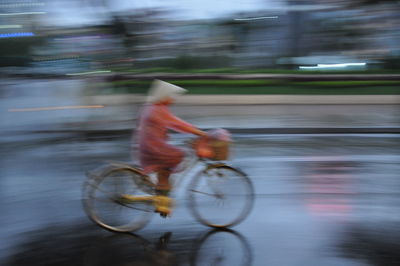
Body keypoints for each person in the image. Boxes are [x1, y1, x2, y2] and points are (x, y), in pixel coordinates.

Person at [135, 80, 207, 203]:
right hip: (153, 148)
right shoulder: (159, 109)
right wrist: (200, 133)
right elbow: (178, 124)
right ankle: (162, 195)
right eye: (171, 96)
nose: (173, 99)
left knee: (165, 169)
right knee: (179, 155)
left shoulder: (151, 107)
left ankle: (162, 197)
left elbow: (172, 124)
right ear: (164, 95)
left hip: (147, 147)